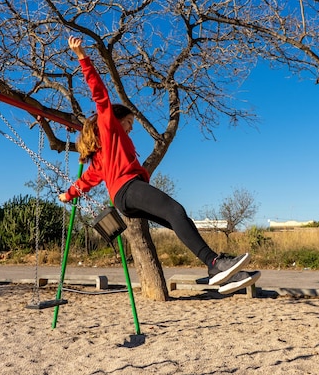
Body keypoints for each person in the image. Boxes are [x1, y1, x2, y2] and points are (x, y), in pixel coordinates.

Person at [58, 36, 260, 295]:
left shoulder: (101, 156)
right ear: (115, 120)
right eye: (129, 123)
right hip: (128, 189)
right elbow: (100, 95)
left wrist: (69, 193)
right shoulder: (109, 128)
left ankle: (226, 273)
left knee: (178, 218)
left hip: (124, 199)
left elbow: (88, 180)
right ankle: (215, 264)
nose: (131, 129)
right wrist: (83, 57)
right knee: (176, 210)